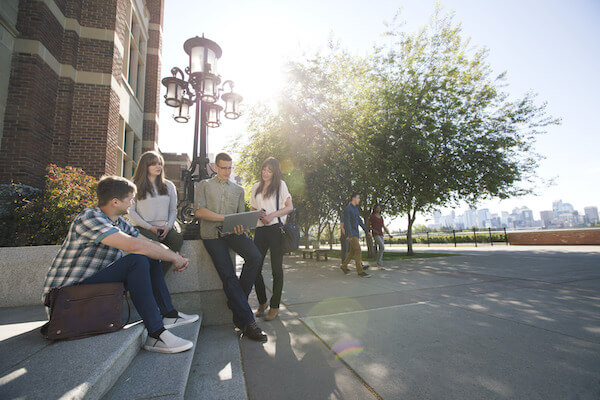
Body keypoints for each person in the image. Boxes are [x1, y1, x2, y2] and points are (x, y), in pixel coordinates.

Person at [42, 176, 199, 354]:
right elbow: (134, 246)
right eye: (130, 199)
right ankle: (156, 334)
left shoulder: (119, 222)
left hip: (91, 290)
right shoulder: (89, 217)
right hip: (67, 297)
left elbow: (148, 243)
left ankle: (168, 315)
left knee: (150, 256)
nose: (132, 203)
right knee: (137, 259)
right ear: (115, 202)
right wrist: (173, 258)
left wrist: (173, 255)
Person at [194, 152, 267, 342]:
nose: (227, 171)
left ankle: (237, 302)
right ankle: (248, 323)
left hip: (233, 233)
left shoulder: (238, 189)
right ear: (215, 167)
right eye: (223, 168)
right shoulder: (204, 185)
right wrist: (224, 219)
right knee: (228, 275)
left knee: (255, 256)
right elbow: (199, 211)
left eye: (229, 168)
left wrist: (240, 225)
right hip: (212, 235)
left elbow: (239, 217)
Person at [251, 157, 293, 321]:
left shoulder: (280, 185)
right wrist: (259, 214)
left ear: (274, 172)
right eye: (264, 169)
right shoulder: (256, 187)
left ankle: (275, 306)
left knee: (277, 270)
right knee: (254, 267)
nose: (265, 173)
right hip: (260, 230)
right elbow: (254, 208)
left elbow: (289, 207)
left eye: (269, 170)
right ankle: (263, 302)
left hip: (276, 230)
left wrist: (272, 215)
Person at [129, 151, 183, 275]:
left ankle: (158, 275)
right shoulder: (134, 184)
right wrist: (150, 227)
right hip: (143, 226)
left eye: (160, 164)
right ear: (145, 166)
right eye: (153, 164)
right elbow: (131, 212)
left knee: (177, 239)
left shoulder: (169, 185)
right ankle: (154, 279)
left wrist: (168, 227)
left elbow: (173, 210)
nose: (158, 167)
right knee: (154, 244)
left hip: (164, 227)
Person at [340, 193, 372, 278]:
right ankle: (360, 271)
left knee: (352, 252)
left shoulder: (356, 210)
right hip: (352, 234)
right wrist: (349, 234)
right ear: (353, 198)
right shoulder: (348, 209)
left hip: (356, 233)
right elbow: (347, 223)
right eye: (358, 198)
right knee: (358, 250)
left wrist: (367, 231)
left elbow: (360, 222)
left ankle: (344, 266)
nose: (359, 200)